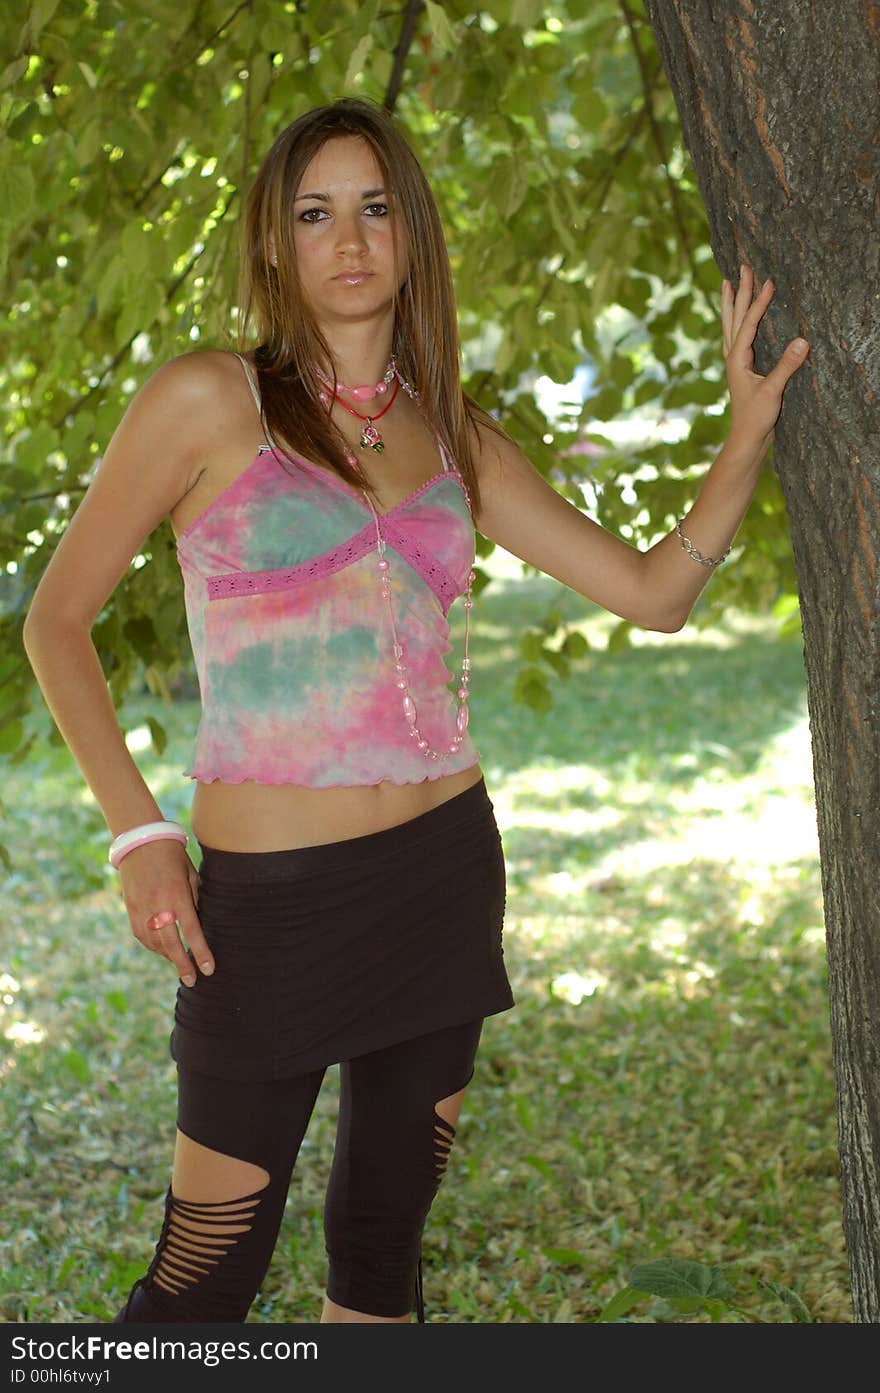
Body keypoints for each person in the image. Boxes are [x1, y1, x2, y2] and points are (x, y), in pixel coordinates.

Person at [22, 96, 809, 1326]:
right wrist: (140, 836)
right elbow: (54, 622)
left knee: (381, 1254)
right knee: (199, 1284)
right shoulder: (204, 400)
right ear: (277, 245)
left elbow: (653, 595)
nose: (350, 239)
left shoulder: (454, 433)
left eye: (376, 208)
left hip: (439, 880)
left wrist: (745, 432)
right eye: (316, 213)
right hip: (265, 914)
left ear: (411, 234)